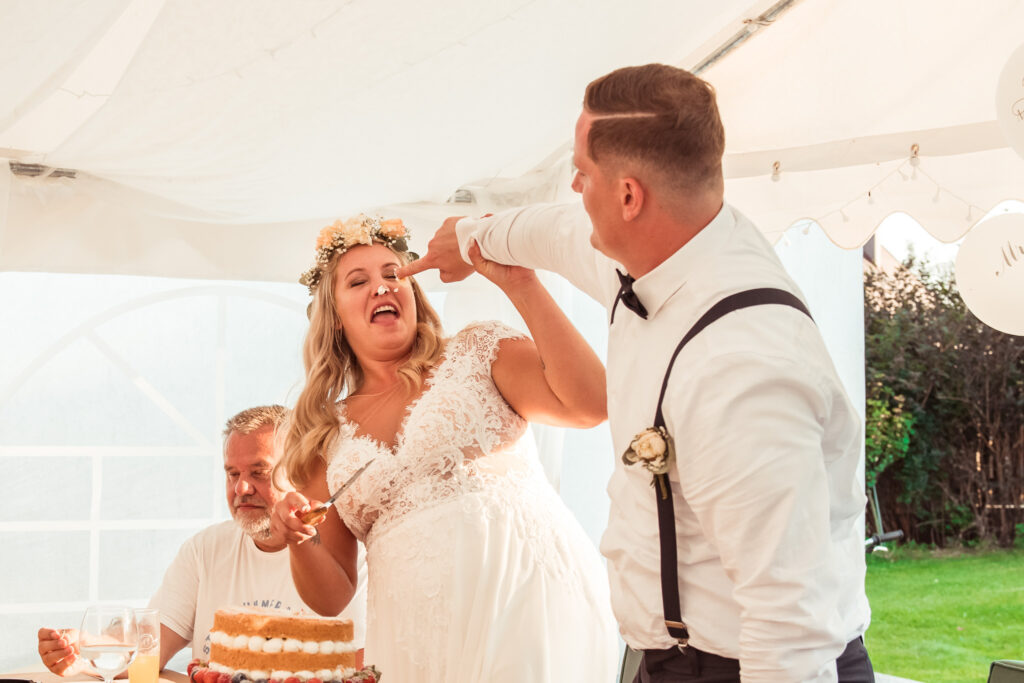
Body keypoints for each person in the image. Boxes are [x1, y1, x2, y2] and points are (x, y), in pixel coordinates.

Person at [398, 64, 874, 682]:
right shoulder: (661, 247)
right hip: (672, 663)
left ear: (629, 196)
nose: (573, 185)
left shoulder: (743, 372)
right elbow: (551, 231)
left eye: (582, 172)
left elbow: (789, 627)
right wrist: (469, 239)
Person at [270, 214, 618, 682]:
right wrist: (300, 540)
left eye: (394, 274)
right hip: (415, 648)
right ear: (334, 319)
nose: (382, 287)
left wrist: (521, 283)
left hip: (526, 605)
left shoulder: (478, 352)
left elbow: (593, 405)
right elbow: (332, 596)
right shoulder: (323, 434)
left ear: (414, 294)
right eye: (358, 281)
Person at [37, 405, 368, 675]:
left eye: (259, 472)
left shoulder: (348, 565)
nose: (241, 488)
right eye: (232, 473)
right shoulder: (205, 549)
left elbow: (357, 668)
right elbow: (148, 648)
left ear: (299, 472)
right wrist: (83, 650)